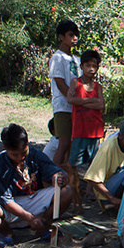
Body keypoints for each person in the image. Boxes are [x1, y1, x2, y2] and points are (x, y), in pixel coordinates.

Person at [0, 124, 72, 248]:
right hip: (11, 204)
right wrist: (29, 218)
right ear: (5, 148)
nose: (20, 158)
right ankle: (8, 234)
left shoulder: (36, 155)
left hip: (34, 198)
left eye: (24, 153)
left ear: (28, 144)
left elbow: (56, 173)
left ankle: (42, 227)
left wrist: (61, 177)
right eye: (14, 154)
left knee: (67, 192)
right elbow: (5, 200)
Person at [83, 119, 124, 209]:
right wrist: (112, 199)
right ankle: (118, 204)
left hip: (123, 185)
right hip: (108, 193)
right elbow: (93, 179)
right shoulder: (109, 146)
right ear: (120, 136)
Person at [48, 20, 80, 166]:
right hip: (63, 106)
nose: (75, 38)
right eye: (71, 34)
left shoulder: (76, 59)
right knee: (64, 142)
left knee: (72, 145)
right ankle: (52, 175)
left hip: (76, 107)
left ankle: (67, 179)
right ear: (61, 36)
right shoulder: (57, 57)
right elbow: (60, 83)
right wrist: (73, 99)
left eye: (76, 35)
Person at [67, 49, 105, 169]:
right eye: (88, 65)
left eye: (94, 66)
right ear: (82, 66)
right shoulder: (75, 83)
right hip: (80, 130)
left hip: (95, 131)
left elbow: (101, 105)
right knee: (73, 163)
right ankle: (74, 187)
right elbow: (70, 99)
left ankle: (89, 188)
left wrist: (81, 102)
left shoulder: (98, 87)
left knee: (93, 163)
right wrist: (90, 100)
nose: (91, 69)